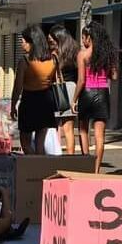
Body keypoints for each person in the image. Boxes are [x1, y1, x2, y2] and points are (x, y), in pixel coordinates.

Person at [73, 22, 118, 172]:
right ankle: (96, 170)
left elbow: (81, 80)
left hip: (87, 92)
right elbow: (115, 76)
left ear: (89, 38)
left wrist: (74, 99)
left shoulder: (82, 55)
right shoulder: (108, 54)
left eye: (83, 38)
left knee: (83, 130)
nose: (83, 41)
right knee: (100, 136)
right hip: (103, 93)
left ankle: (86, 163)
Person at [10, 25, 57, 155]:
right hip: (46, 101)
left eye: (23, 41)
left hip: (29, 101)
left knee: (25, 142)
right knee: (40, 143)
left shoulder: (25, 61)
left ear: (31, 42)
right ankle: (40, 169)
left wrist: (13, 105)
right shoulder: (53, 60)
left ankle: (33, 166)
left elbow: (18, 86)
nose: (22, 44)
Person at [48, 25, 80, 154]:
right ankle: (71, 158)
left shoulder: (55, 55)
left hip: (58, 91)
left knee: (54, 128)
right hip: (72, 90)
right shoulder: (75, 51)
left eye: (51, 41)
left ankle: (56, 155)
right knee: (69, 129)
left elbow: (51, 74)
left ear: (58, 39)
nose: (50, 44)